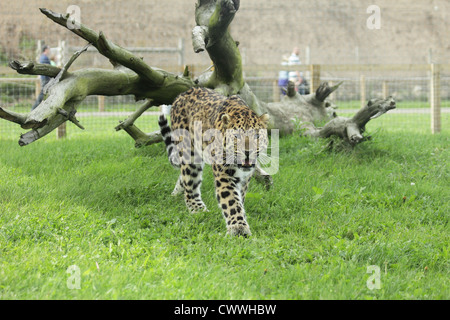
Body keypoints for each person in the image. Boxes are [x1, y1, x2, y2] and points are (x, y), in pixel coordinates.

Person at [31, 45, 51, 110]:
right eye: (48, 49)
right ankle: (34, 108)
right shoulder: (44, 58)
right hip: (45, 78)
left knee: (45, 94)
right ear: (46, 50)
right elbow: (48, 68)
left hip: (45, 78)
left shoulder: (43, 57)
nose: (49, 51)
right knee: (43, 94)